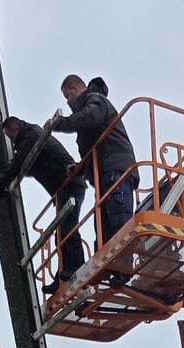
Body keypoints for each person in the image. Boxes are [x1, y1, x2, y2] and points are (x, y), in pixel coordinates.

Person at [0, 115, 86, 284]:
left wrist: (0, 183)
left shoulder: (33, 134)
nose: (11, 140)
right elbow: (28, 168)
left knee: (67, 227)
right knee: (62, 231)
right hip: (63, 188)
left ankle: (76, 267)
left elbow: (20, 165)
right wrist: (6, 172)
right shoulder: (31, 141)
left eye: (10, 135)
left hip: (71, 182)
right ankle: (62, 276)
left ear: (15, 128)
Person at [57, 75, 138, 247]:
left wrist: (61, 123)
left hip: (115, 169)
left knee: (119, 223)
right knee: (103, 232)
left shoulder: (95, 100)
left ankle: (123, 269)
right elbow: (92, 147)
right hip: (105, 173)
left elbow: (89, 118)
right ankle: (113, 271)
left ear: (75, 89)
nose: (68, 101)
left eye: (67, 96)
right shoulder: (90, 109)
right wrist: (80, 168)